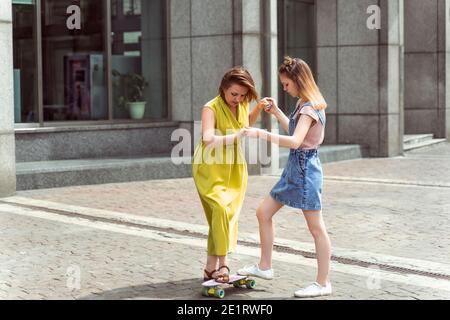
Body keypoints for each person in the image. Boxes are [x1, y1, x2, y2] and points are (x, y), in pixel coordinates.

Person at [238, 57, 332, 298]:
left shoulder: (310, 107)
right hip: (295, 167)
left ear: (298, 81)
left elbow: (295, 141)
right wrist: (277, 111)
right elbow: (294, 130)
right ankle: (265, 267)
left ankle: (323, 283)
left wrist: (261, 133)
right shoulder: (304, 102)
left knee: (316, 228)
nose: (284, 88)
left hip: (305, 169)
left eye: (286, 84)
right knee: (263, 213)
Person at [192, 67, 266, 283]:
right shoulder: (210, 108)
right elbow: (208, 139)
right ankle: (223, 264)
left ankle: (209, 267)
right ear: (223, 88)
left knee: (226, 215)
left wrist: (258, 107)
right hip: (209, 166)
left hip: (234, 166)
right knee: (220, 209)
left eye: (243, 95)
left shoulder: (242, 104)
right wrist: (236, 136)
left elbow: (245, 124)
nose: (238, 99)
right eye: (234, 94)